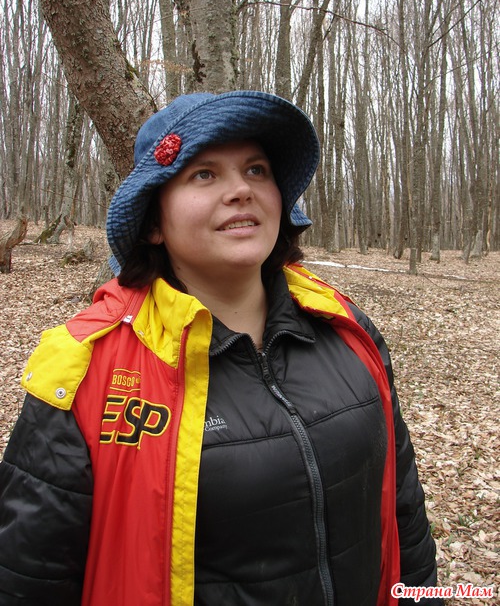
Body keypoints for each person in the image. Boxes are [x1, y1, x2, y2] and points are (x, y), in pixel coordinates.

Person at [0, 91, 442, 606]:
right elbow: (29, 579)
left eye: (256, 170)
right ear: (153, 222)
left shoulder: (345, 327)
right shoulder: (84, 368)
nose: (241, 190)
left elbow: (402, 508)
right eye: (204, 174)